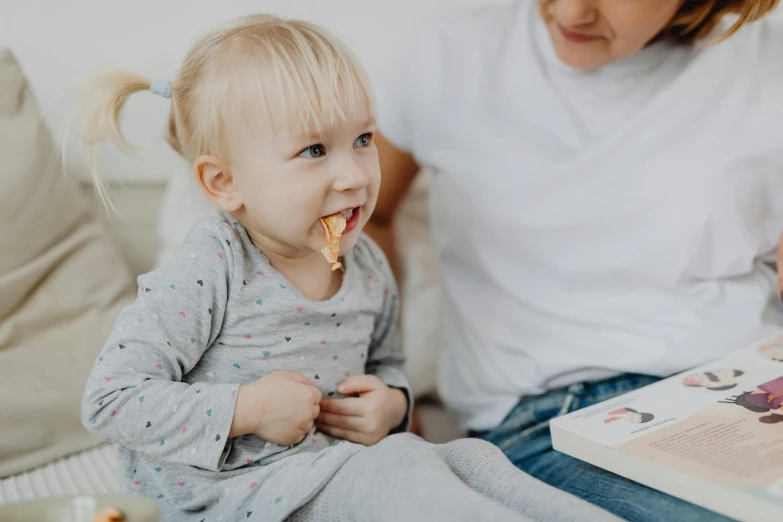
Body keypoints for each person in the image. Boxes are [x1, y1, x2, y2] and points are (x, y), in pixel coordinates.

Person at [71, 13, 620, 522]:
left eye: (362, 140)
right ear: (224, 183)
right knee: (393, 469)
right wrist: (247, 408)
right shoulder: (212, 265)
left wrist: (392, 405)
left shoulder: (367, 264)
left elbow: (387, 362)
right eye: (314, 150)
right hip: (232, 495)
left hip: (333, 475)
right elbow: (109, 400)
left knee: (472, 460)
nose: (355, 175)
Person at [367, 0, 783, 520]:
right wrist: (386, 382)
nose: (570, 12)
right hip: (548, 420)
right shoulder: (452, 56)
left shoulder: (766, 65)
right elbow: (361, 216)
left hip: (749, 388)